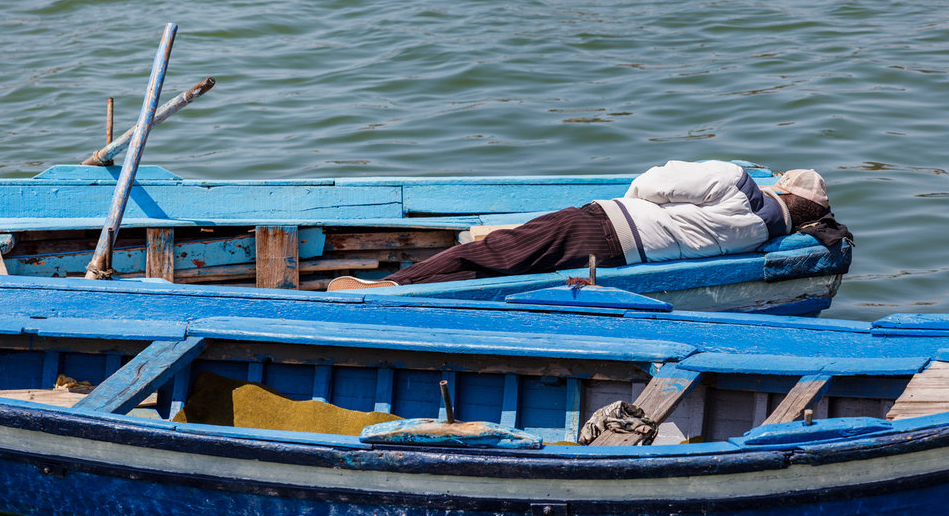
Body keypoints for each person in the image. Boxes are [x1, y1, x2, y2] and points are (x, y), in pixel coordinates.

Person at [327, 160, 850, 290]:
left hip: (606, 227)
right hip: (626, 257)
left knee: (497, 253)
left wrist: (624, 207)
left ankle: (388, 287)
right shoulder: (765, 234)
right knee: (505, 267)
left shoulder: (739, 182)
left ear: (784, 189)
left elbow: (654, 180)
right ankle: (411, 290)